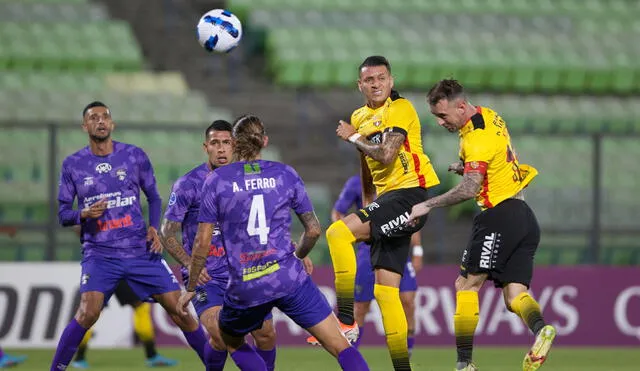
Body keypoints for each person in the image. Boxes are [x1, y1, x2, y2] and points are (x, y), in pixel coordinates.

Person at [177, 115, 369, 371]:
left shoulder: (217, 181)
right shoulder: (285, 174)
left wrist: (191, 285)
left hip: (247, 284)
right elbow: (312, 231)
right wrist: (298, 257)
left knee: (230, 341)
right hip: (288, 277)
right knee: (340, 345)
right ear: (265, 141)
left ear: (234, 143)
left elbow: (202, 242)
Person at [406, 79, 557, 371]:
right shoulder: (490, 115)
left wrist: (428, 204)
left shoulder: (476, 139)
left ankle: (464, 364)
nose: (440, 123)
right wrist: (465, 167)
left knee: (466, 285)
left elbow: (469, 189)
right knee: (515, 295)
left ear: (461, 106)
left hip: (499, 215)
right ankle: (541, 330)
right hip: (524, 216)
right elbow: (494, 159)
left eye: (443, 115)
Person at [51, 101, 208, 371]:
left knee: (181, 311)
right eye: (94, 118)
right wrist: (84, 214)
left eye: (105, 117)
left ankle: (213, 366)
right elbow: (64, 213)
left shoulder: (134, 156)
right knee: (87, 312)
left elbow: (155, 196)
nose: (100, 121)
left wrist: (152, 227)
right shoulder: (73, 164)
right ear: (85, 126)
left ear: (112, 124)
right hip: (100, 254)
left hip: (140, 251)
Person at [328, 55, 440, 370]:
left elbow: (387, 156)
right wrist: (367, 206)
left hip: (408, 195)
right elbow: (368, 167)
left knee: (337, 233)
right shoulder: (359, 116)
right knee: (386, 291)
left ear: (390, 81)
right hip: (388, 201)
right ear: (359, 85)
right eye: (369, 80)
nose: (376, 84)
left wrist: (352, 135)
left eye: (381, 78)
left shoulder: (400, 108)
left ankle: (346, 319)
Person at [160, 120, 277, 371]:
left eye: (226, 143)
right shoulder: (188, 184)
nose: (221, 149)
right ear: (206, 147)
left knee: (266, 334)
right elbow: (167, 232)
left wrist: (288, 246)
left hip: (245, 272)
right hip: (207, 276)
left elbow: (262, 222)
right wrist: (190, 263)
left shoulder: (247, 180)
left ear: (235, 145)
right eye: (215, 143)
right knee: (222, 333)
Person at [307, 174, 424, 359]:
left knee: (408, 301)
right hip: (367, 250)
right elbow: (338, 211)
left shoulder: (400, 180)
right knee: (360, 308)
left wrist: (418, 250)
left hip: (397, 247)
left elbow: (413, 216)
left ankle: (406, 353)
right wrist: (348, 233)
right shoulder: (356, 183)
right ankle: (353, 356)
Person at [71, 281, 178, 368]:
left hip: (100, 269)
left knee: (90, 313)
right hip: (120, 265)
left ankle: (79, 358)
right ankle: (151, 355)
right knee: (140, 307)